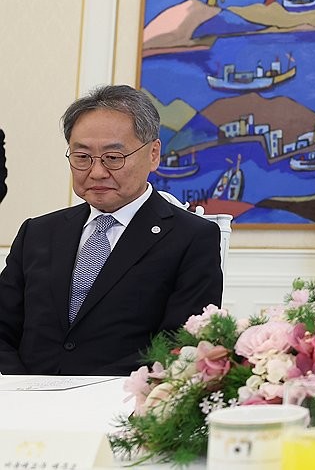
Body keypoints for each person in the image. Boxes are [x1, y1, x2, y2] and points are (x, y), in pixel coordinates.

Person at [0, 85, 223, 375]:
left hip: (123, 397)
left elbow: (180, 346)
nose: (97, 172)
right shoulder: (38, 232)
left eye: (113, 158)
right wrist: (19, 387)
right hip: (24, 395)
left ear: (153, 154)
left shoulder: (192, 237)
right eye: (82, 157)